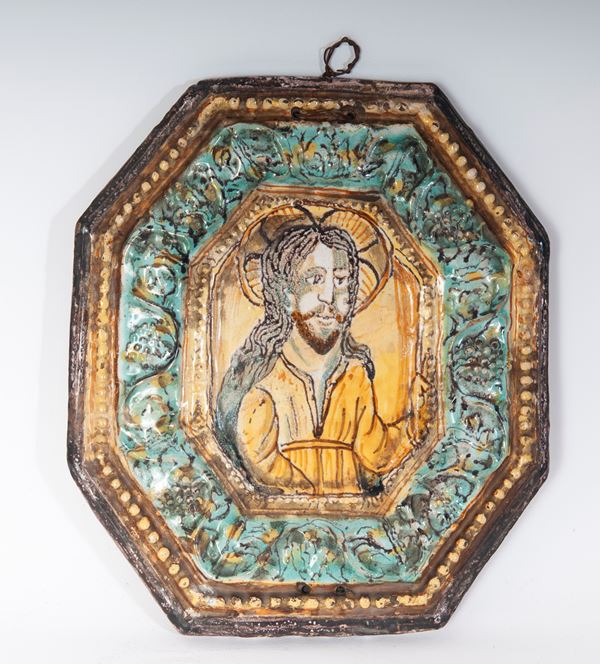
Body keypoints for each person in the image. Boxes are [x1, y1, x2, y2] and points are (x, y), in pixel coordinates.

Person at [216, 209, 428, 495]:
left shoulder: (355, 377)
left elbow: (375, 453)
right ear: (286, 294)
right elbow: (263, 466)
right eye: (315, 279)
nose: (329, 297)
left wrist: (417, 422)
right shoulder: (264, 383)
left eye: (340, 282)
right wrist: (313, 501)